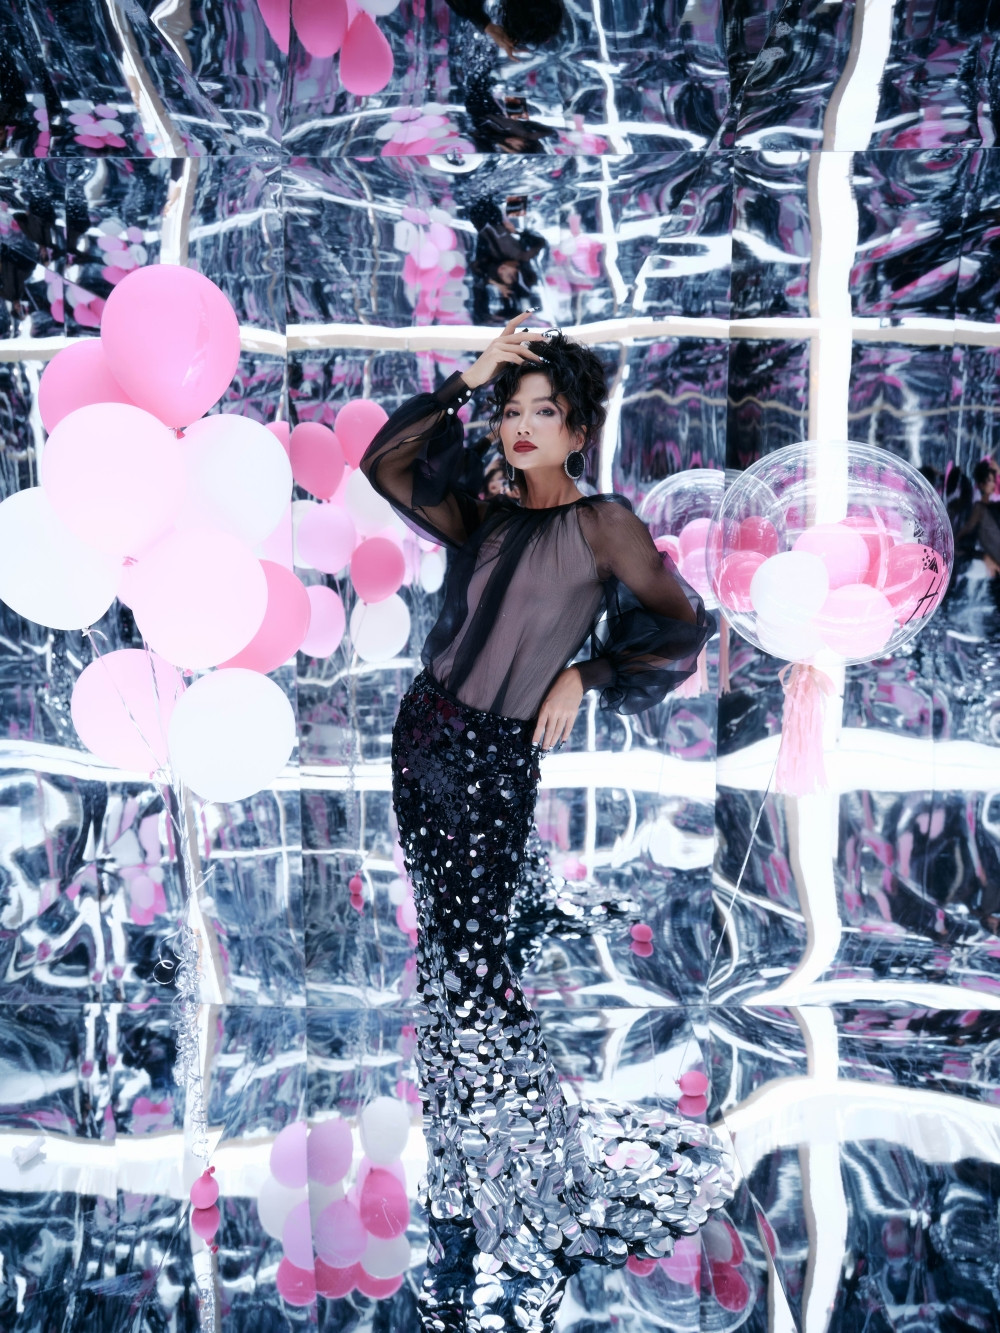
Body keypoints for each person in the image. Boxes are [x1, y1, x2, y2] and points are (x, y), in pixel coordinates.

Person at [361, 313, 734, 1330]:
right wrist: (466, 376)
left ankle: (520, 1168)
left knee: (478, 960)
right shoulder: (481, 514)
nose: (521, 426)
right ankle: (472, 1157)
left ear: (577, 430)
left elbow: (682, 625)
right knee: (450, 953)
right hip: (423, 738)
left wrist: (587, 671)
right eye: (510, 409)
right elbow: (383, 463)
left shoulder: (603, 523)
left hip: (492, 758)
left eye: (544, 411)